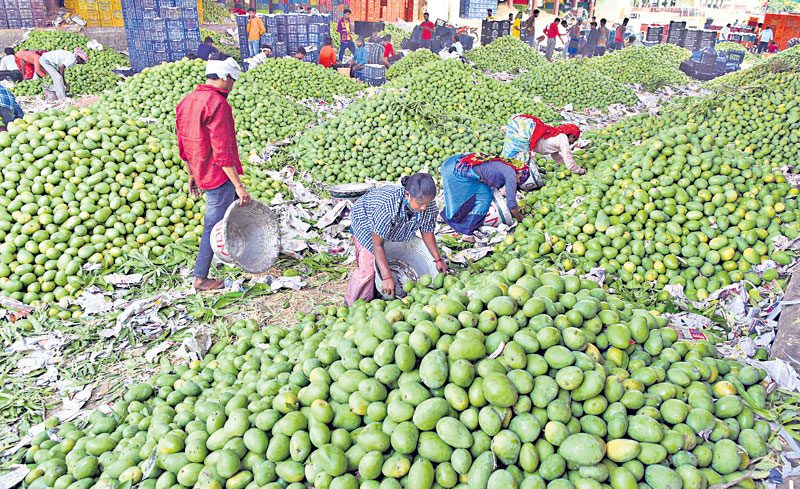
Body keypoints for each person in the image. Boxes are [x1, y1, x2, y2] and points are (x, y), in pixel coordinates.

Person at [175, 57, 251, 292]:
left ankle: (229, 255)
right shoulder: (218, 104)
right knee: (213, 224)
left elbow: (183, 144)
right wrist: (238, 185)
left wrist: (191, 175)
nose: (233, 86)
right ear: (225, 78)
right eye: (233, 80)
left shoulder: (187, 101)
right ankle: (200, 277)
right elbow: (222, 151)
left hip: (200, 171)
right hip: (217, 175)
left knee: (220, 221)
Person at [345, 173, 446, 305]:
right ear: (407, 195)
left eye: (427, 203)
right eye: (420, 204)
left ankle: (376, 292)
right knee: (367, 269)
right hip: (365, 221)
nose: (424, 208)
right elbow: (378, 245)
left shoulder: (426, 204)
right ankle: (352, 304)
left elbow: (427, 231)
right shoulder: (388, 208)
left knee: (386, 254)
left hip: (390, 225)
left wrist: (437, 259)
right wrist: (387, 276)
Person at [440, 153, 539, 236]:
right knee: (484, 196)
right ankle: (465, 229)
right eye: (518, 181)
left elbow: (490, 174)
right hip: (457, 173)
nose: (516, 183)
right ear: (520, 175)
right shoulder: (511, 174)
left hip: (451, 164)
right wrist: (519, 217)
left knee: (465, 195)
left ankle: (448, 214)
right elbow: (511, 203)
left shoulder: (505, 163)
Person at [501, 114, 586, 178]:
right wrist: (579, 170)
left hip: (521, 130)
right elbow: (568, 157)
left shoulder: (557, 136)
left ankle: (501, 173)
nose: (572, 143)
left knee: (512, 154)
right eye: (574, 140)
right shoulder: (563, 139)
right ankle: (508, 182)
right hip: (525, 134)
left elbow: (555, 155)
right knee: (520, 162)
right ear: (571, 136)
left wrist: (562, 165)